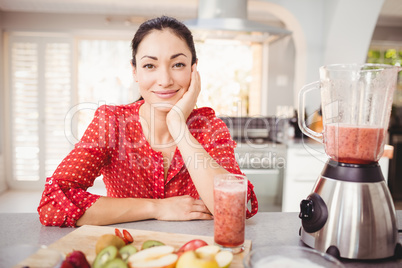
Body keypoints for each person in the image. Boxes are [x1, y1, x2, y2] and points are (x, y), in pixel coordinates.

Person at [38, 16, 258, 227]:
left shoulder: (210, 128)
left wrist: (178, 126)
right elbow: (53, 203)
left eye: (178, 64)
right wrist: (157, 208)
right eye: (150, 66)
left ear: (194, 70)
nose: (164, 80)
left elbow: (235, 210)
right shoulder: (111, 123)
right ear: (135, 71)